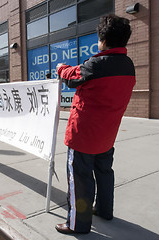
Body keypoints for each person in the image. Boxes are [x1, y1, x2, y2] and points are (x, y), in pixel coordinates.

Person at [55, 14, 136, 234]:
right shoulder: (128, 66)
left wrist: (61, 67)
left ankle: (77, 224)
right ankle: (104, 210)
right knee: (104, 173)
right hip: (107, 134)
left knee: (80, 179)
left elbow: (71, 77)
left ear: (103, 39)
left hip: (83, 135)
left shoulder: (96, 64)